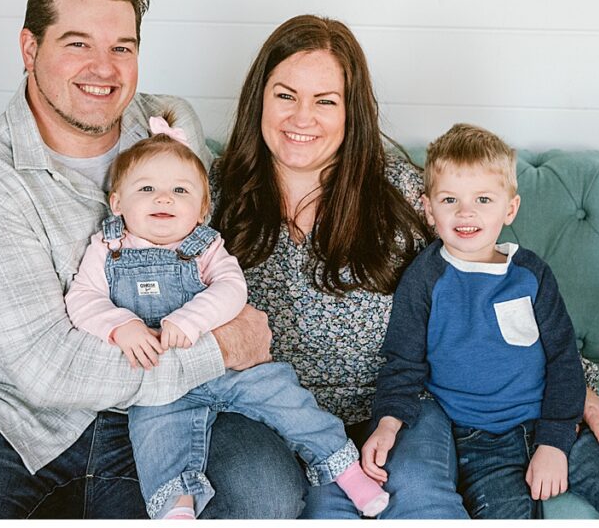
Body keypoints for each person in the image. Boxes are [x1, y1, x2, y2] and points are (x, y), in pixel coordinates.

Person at [0, 0, 306, 519]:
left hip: (177, 402)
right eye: (78, 43)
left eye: (122, 47)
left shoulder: (170, 125)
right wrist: (222, 347)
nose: (104, 68)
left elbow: (208, 248)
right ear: (30, 49)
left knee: (262, 493)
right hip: (10, 409)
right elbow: (48, 369)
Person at [209, 15, 599, 518]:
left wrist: (576, 389)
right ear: (259, 98)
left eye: (325, 101)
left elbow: (496, 280)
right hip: (274, 411)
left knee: (418, 495)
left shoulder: (401, 190)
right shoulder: (210, 194)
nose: (302, 117)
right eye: (286, 95)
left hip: (401, 401)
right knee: (306, 506)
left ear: (351, 112)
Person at [64, 113, 389, 519]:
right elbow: (83, 298)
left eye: (180, 190)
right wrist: (120, 326)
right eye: (146, 188)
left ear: (202, 210)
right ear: (117, 203)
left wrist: (191, 320)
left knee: (287, 398)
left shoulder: (205, 246)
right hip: (161, 382)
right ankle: (177, 507)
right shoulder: (107, 248)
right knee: (156, 438)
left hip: (230, 368)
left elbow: (232, 289)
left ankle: (347, 471)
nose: (163, 199)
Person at [361, 123, 599, 519]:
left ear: (510, 208)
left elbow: (563, 359)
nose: (466, 212)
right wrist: (387, 422)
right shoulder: (423, 280)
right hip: (477, 442)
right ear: (429, 209)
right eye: (450, 199)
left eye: (483, 199)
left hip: (552, 420)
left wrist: (554, 441)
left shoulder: (531, 274)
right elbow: (403, 363)